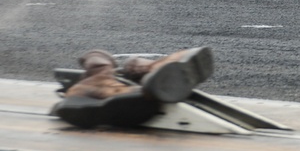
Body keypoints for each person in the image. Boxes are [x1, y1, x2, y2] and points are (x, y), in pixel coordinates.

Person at [51, 47, 214, 128]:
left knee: (131, 68)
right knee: (131, 70)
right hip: (90, 89)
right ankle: (149, 72)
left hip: (89, 88)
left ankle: (146, 71)